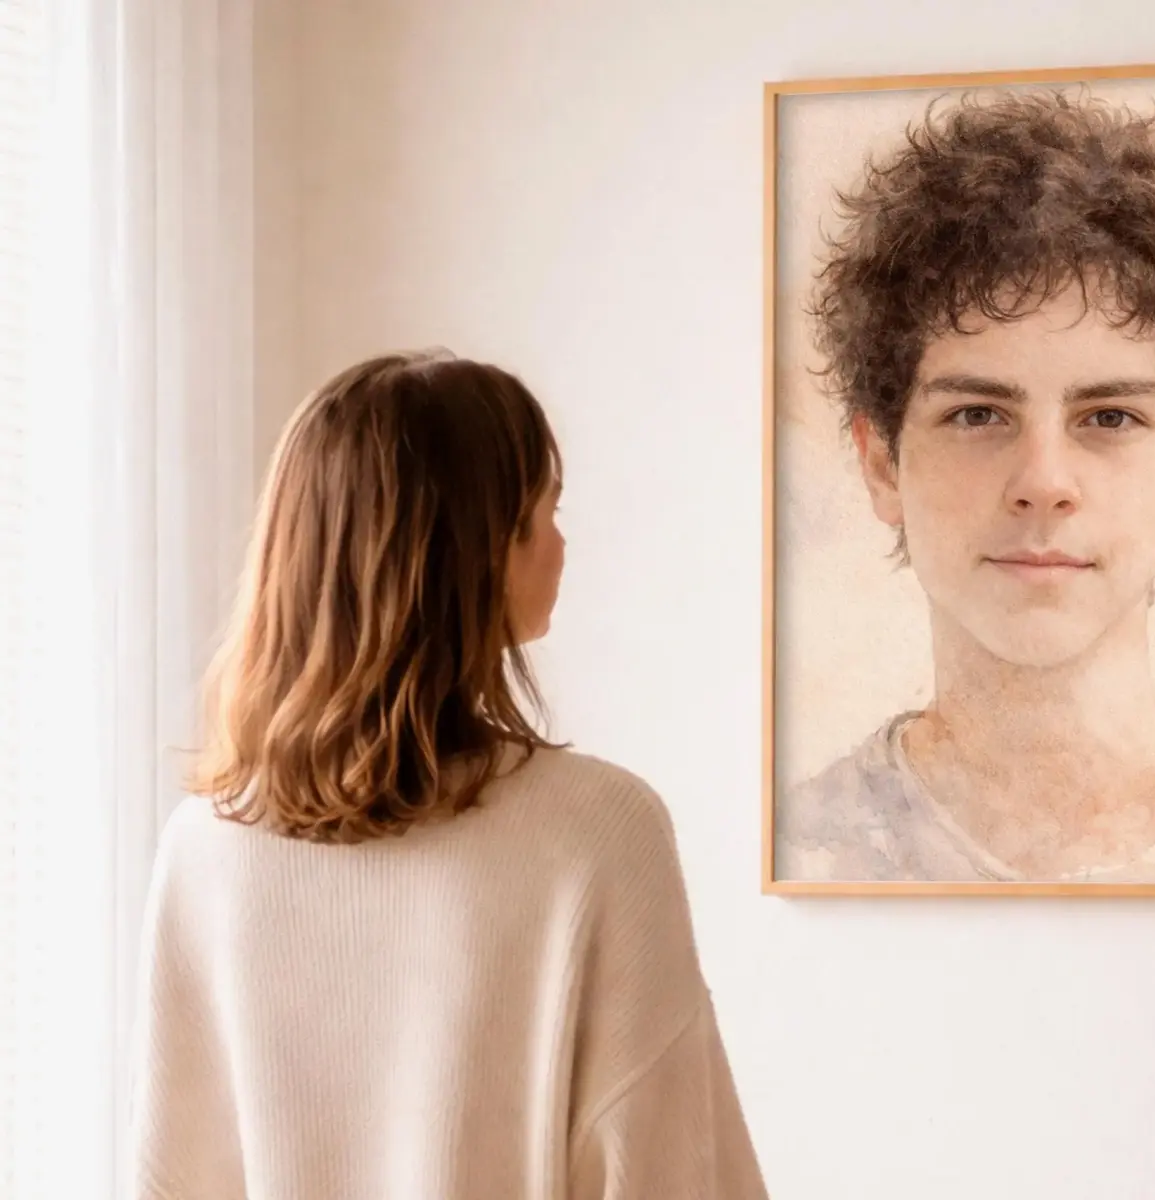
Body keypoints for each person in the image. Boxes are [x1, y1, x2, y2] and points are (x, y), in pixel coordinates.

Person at [128, 351, 768, 1198]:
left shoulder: (205, 849)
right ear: (472, 550)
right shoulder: (598, 831)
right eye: (542, 512)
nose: (561, 544)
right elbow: (667, 1171)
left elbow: (171, 1176)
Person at [776, 90, 1155, 886]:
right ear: (881, 464)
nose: (1043, 484)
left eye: (1108, 418)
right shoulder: (808, 847)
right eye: (975, 414)